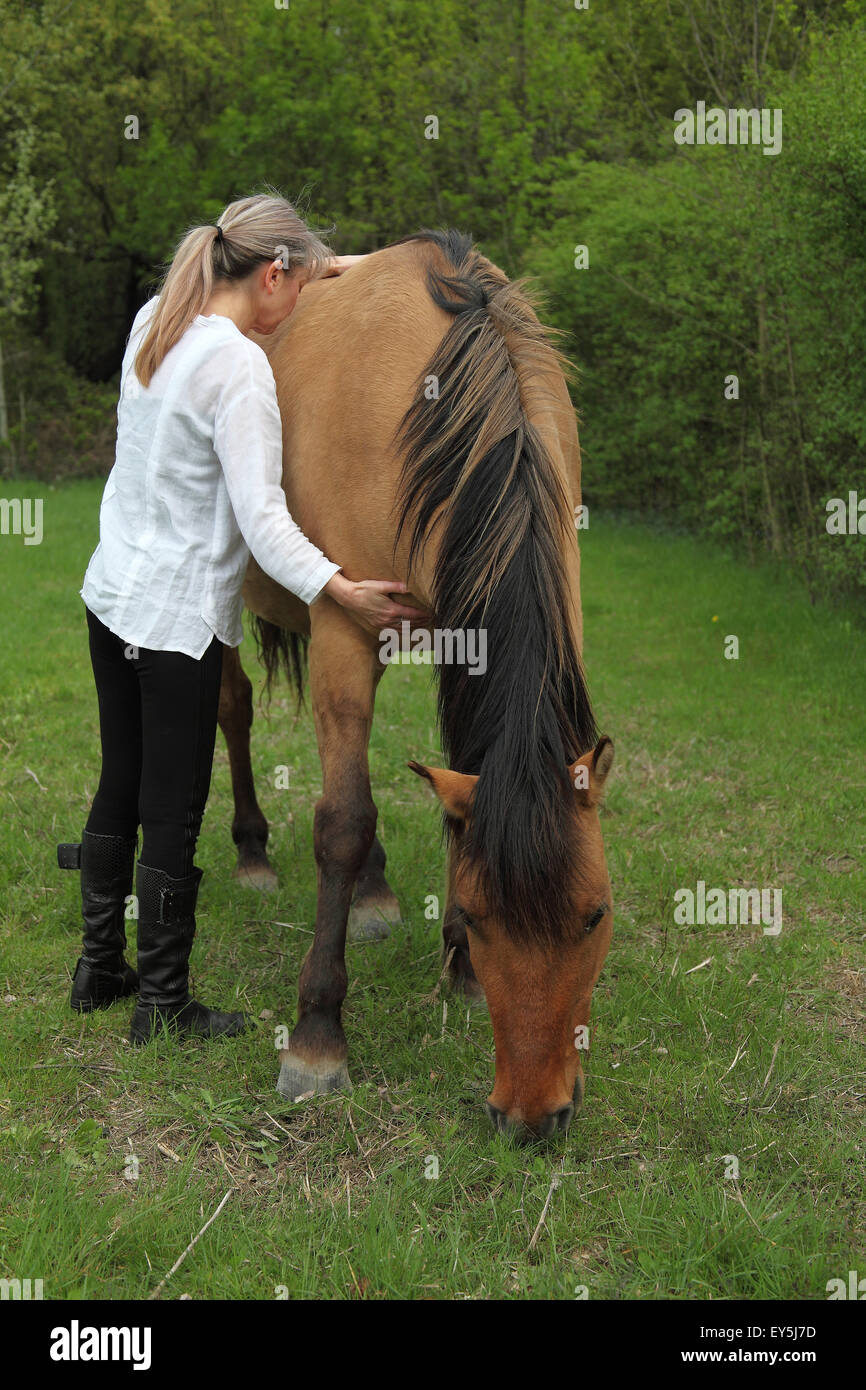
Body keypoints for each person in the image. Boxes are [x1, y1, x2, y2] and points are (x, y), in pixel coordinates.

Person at [58, 192, 422, 1046]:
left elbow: (306, 268)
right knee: (174, 805)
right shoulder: (241, 370)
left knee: (120, 785)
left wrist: (336, 265)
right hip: (178, 622)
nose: (302, 312)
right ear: (270, 275)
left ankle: (98, 966)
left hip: (111, 596)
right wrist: (341, 587)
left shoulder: (158, 317)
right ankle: (163, 1003)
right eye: (300, 287)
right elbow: (264, 524)